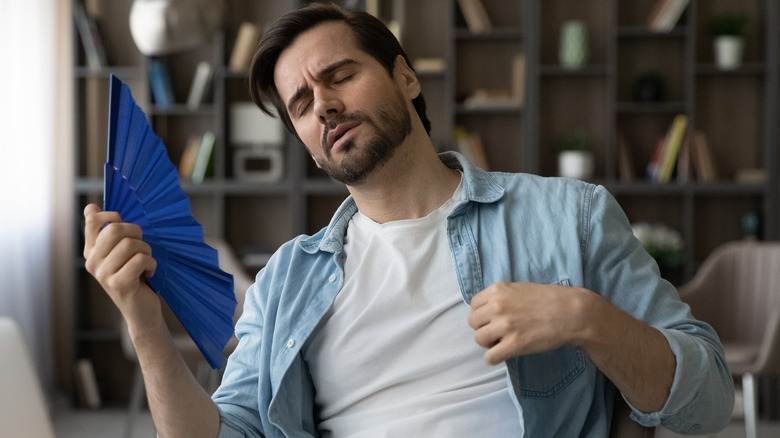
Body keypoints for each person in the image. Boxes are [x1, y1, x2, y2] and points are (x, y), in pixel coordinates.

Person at [83, 3, 734, 437]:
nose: (326, 107)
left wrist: (584, 319)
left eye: (340, 75)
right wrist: (143, 321)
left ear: (405, 78)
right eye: (303, 103)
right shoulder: (286, 281)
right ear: (304, 139)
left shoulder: (570, 218)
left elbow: (707, 401)